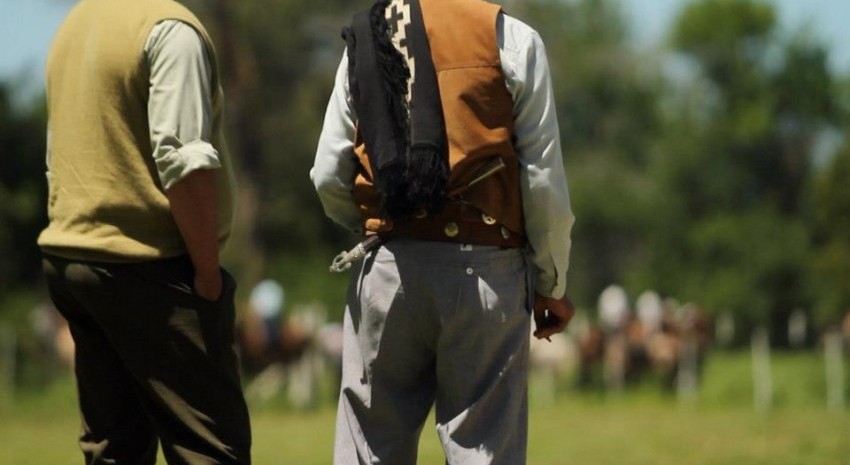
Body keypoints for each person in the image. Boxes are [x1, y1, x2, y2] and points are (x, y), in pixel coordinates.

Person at [311, 0, 575, 463]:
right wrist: (550, 282)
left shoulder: (369, 35)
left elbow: (328, 174)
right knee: (483, 450)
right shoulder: (512, 39)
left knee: (368, 449)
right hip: (487, 269)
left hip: (389, 265)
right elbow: (542, 181)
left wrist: (376, 225)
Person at [38, 0, 251, 463]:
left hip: (71, 260)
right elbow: (185, 164)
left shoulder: (73, 26)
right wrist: (208, 276)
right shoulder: (169, 28)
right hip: (152, 266)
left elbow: (57, 156)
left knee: (114, 449)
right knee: (210, 450)